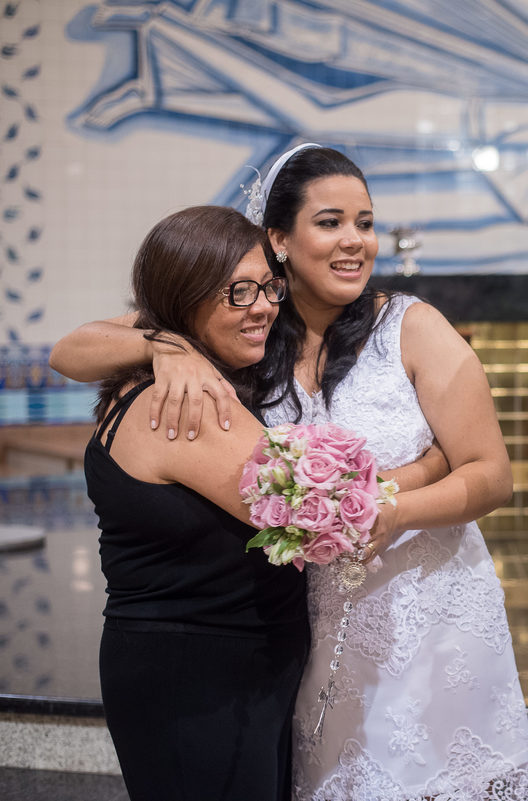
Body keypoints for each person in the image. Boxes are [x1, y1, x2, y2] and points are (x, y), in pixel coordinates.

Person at [52, 146, 528, 800]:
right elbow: (70, 348)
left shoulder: (410, 326)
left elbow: (492, 476)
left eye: (365, 223)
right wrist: (162, 345)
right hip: (311, 624)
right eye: (331, 222)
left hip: (424, 611)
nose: (354, 241)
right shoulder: (243, 328)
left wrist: (400, 500)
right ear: (279, 239)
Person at [82, 205, 309, 801]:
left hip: (207, 663)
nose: (262, 305)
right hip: (202, 674)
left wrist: (164, 343)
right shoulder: (187, 401)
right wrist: (444, 464)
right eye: (238, 292)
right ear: (182, 300)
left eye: (268, 286)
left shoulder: (170, 370)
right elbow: (311, 510)